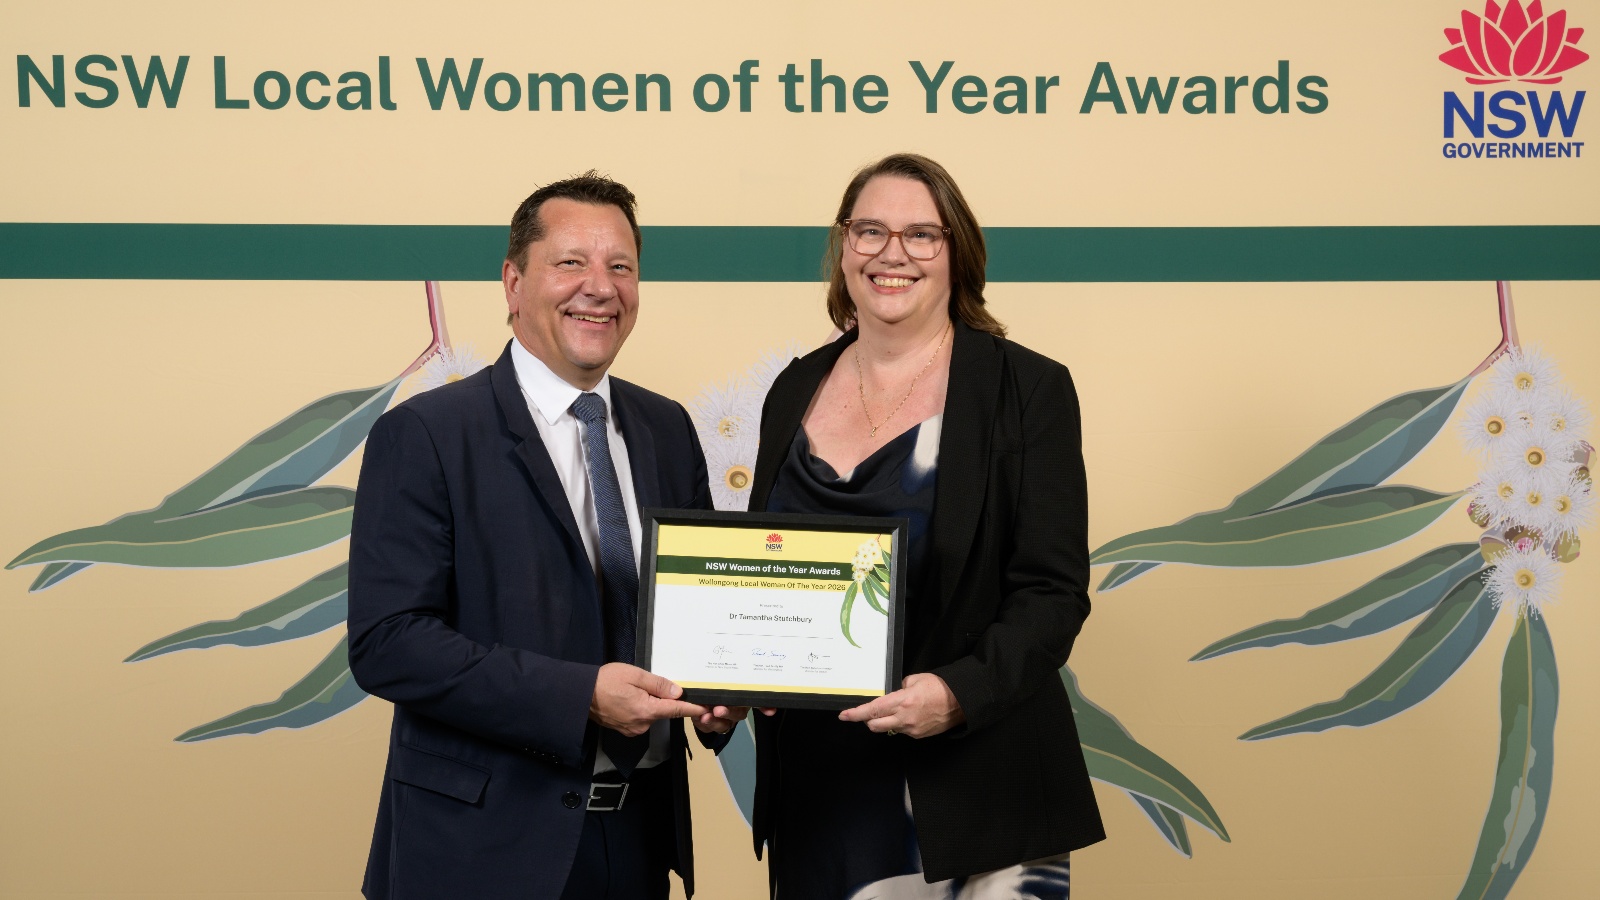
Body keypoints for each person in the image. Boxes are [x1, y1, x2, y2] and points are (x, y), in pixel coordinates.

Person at [347, 172, 742, 900]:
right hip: (480, 853)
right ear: (513, 282)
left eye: (621, 266)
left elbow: (696, 614)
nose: (600, 286)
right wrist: (580, 696)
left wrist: (723, 690)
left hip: (639, 840)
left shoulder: (667, 429)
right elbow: (389, 643)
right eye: (570, 263)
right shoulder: (426, 435)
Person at [747, 154, 1106, 898]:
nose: (891, 254)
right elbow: (767, 567)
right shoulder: (793, 387)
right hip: (822, 794)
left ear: (958, 252)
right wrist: (732, 680)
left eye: (921, 234)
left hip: (981, 786)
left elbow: (1053, 591)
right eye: (869, 230)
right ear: (844, 247)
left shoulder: (1027, 389)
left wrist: (956, 694)